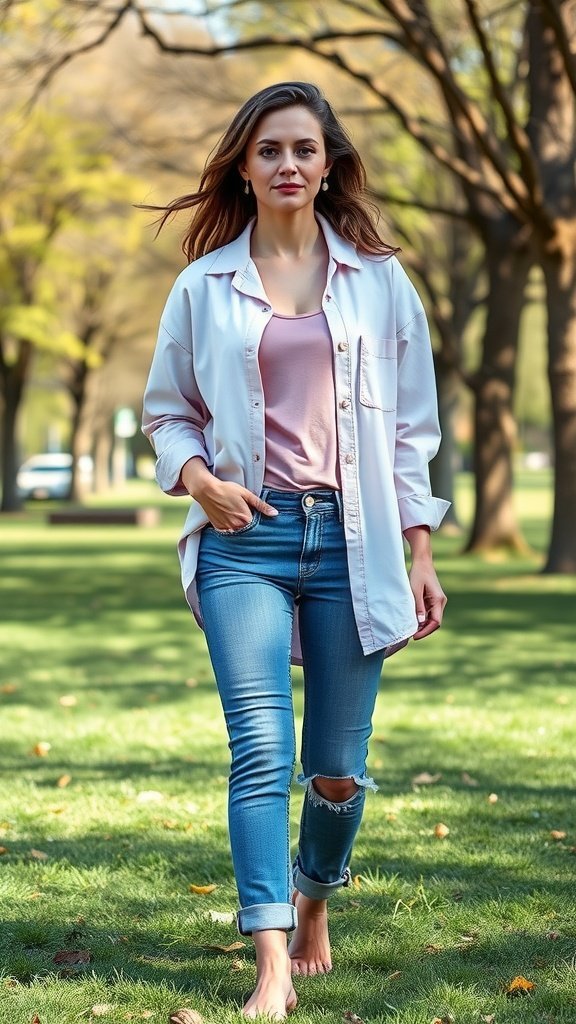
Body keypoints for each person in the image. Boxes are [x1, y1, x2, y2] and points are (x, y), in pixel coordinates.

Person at [142, 81, 449, 1020]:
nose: (287, 164)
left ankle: (315, 898)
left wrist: (421, 550)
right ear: (243, 165)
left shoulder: (380, 282)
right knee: (260, 751)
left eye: (304, 149)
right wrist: (199, 482)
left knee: (337, 769)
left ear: (328, 165)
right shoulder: (202, 287)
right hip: (246, 542)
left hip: (354, 544)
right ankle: (270, 959)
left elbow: (411, 431)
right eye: (269, 149)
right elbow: (167, 413)